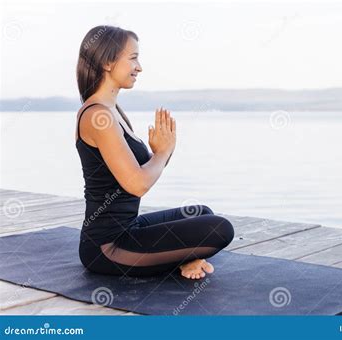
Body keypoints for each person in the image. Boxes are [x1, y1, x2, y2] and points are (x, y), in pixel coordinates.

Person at [75, 25, 234, 279]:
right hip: (108, 247)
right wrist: (162, 152)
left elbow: (141, 172)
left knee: (202, 213)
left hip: (130, 228)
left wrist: (162, 151)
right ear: (107, 62)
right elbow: (137, 184)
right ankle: (183, 258)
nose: (139, 67)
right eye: (133, 58)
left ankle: (184, 258)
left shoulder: (112, 110)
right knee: (220, 229)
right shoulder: (97, 115)